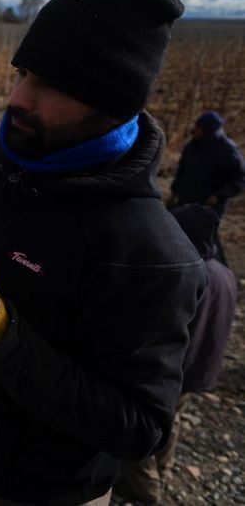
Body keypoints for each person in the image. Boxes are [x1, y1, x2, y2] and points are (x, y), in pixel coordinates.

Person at [0, 0, 207, 505]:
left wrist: (2, 339)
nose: (19, 97)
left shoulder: (151, 253)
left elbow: (140, 426)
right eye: (22, 73)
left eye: (49, 84)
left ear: (110, 104)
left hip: (41, 496)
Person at [115, 204, 237, 505]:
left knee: (140, 426)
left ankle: (148, 490)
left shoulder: (187, 271)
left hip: (179, 369)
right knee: (172, 422)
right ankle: (164, 471)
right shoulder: (224, 273)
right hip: (203, 368)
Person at [169, 111, 245, 263]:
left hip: (209, 206)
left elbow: (240, 179)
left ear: (208, 129)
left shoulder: (227, 150)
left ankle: (219, 275)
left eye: (198, 127)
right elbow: (182, 171)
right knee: (178, 234)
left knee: (207, 241)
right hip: (185, 200)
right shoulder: (192, 146)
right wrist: (174, 192)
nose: (193, 130)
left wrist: (219, 196)